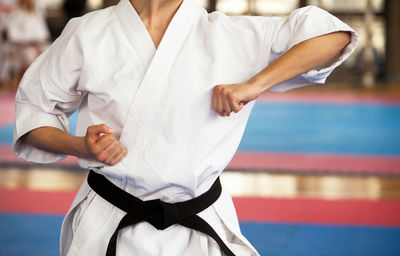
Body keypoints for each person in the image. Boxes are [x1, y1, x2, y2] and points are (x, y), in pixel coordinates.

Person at [12, 0, 358, 255]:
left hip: (199, 223)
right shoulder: (88, 33)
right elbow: (33, 113)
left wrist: (256, 84)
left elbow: (334, 35)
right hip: (109, 220)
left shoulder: (229, 33)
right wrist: (80, 146)